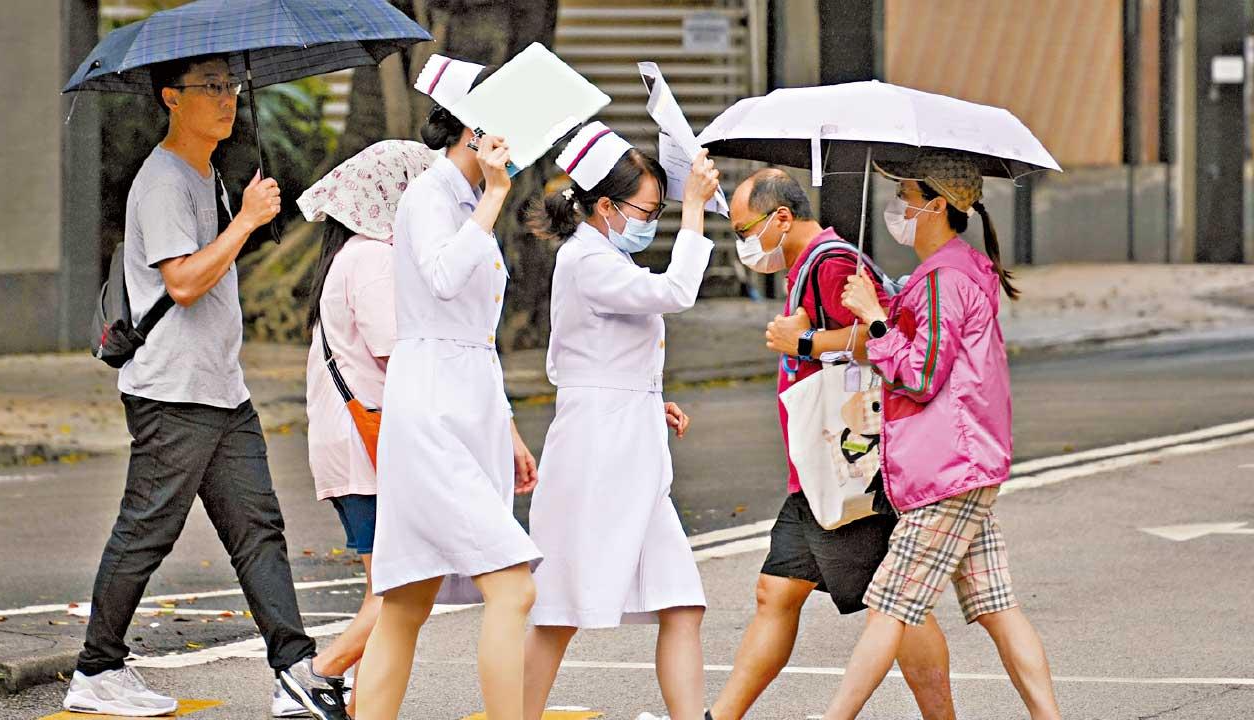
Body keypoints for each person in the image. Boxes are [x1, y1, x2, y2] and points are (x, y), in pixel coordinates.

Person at [64, 55, 346, 720]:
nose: (226, 99)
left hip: (221, 387)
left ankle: (294, 670)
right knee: (147, 532)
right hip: (173, 390)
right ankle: (96, 670)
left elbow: (207, 273)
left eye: (231, 86)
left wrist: (245, 216)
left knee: (258, 530)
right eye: (210, 88)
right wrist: (245, 222)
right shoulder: (162, 180)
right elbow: (183, 282)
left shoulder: (204, 173)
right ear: (171, 98)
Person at [706, 168, 955, 720]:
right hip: (818, 468)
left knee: (897, 608)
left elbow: (877, 338)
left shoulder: (832, 263)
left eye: (745, 228)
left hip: (847, 469)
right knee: (776, 593)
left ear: (782, 218)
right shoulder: (810, 266)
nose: (745, 242)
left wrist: (805, 339)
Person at [822, 151, 1060, 720]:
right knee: (997, 605)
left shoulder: (943, 279)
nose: (896, 206)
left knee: (888, 607)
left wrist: (874, 321)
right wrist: (881, 313)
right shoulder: (960, 269)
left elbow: (923, 375)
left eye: (904, 195)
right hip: (967, 463)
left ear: (934, 205)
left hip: (945, 471)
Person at [355, 55, 543, 720]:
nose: (519, 150)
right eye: (509, 133)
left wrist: (508, 429)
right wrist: (493, 198)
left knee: (406, 600)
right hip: (433, 409)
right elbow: (440, 279)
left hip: (464, 401)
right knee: (511, 587)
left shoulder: (462, 200)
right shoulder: (431, 197)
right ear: (476, 134)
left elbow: (475, 333)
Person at [521, 123, 720, 720]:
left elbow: (608, 353)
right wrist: (693, 214)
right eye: (647, 209)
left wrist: (645, 397)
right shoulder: (585, 259)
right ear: (604, 206)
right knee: (559, 610)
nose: (653, 220)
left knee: (682, 602)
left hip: (626, 438)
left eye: (661, 210)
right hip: (597, 450)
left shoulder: (601, 255)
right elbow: (676, 291)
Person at [288, 139, 438, 718]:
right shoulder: (373, 257)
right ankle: (316, 677)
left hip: (356, 442)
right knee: (398, 591)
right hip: (367, 445)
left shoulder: (355, 255)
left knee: (399, 588)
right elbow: (397, 348)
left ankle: (352, 703)